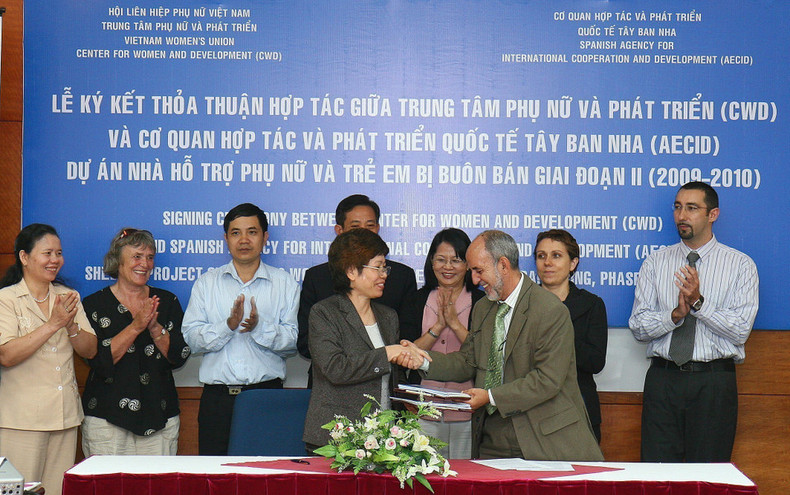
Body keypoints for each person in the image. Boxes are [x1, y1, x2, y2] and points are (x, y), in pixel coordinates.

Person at [397, 230, 602, 461]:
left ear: (503, 265)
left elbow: (547, 380)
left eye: (479, 271)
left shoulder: (550, 310)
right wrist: (422, 359)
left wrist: (490, 397)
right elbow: (468, 361)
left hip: (542, 437)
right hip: (492, 436)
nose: (474, 280)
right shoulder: (484, 308)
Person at [629, 181, 758, 462]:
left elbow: (740, 330)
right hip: (663, 381)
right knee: (657, 474)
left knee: (707, 476)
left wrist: (699, 304)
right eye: (677, 207)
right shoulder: (656, 262)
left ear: (713, 215)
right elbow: (638, 326)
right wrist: (674, 316)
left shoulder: (740, 265)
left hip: (713, 383)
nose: (681, 216)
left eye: (691, 208)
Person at [182, 203, 299, 455]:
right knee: (216, 478)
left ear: (265, 237)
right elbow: (191, 340)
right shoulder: (206, 284)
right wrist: (228, 326)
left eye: (252, 232)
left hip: (267, 398)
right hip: (217, 401)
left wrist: (259, 328)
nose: (243, 240)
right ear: (226, 238)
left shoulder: (285, 283)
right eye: (235, 233)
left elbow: (293, 343)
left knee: (267, 480)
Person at [0, 224, 97, 495]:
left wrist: (72, 327)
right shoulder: (6, 300)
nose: (55, 260)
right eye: (47, 253)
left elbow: (90, 351)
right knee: (21, 492)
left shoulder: (67, 297)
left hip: (64, 418)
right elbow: (6, 355)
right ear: (24, 257)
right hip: (21, 421)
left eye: (59, 253)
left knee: (56, 491)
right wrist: (54, 324)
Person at [81, 228, 191, 455]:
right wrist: (136, 326)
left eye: (150, 257)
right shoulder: (94, 304)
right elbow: (99, 361)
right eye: (137, 256)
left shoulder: (167, 301)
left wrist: (154, 328)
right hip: (107, 419)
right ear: (117, 261)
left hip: (159, 416)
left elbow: (179, 355)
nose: (145, 263)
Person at [302, 229, 409, 452]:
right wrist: (387, 353)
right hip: (336, 437)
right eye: (377, 267)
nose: (384, 274)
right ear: (351, 271)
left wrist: (407, 356)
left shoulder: (388, 316)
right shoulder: (325, 313)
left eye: (384, 267)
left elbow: (389, 376)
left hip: (384, 438)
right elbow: (336, 369)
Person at [297, 194, 417, 385]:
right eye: (355, 227)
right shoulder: (322, 301)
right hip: (337, 402)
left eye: (370, 226)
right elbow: (313, 350)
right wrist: (382, 355)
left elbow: (406, 340)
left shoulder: (392, 304)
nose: (383, 275)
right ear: (339, 230)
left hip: (385, 403)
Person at [398, 228, 483, 458]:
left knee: (464, 479)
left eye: (456, 260)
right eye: (441, 260)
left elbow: (483, 353)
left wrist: (455, 324)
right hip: (422, 409)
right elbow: (405, 353)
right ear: (431, 262)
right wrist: (437, 327)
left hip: (467, 410)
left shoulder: (482, 302)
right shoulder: (416, 300)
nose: (448, 267)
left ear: (468, 265)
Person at [534, 229, 607, 443]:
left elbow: (595, 362)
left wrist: (557, 333)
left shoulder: (591, 304)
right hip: (533, 411)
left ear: (573, 263)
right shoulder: (523, 304)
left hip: (579, 409)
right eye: (541, 256)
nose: (547, 262)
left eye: (556, 255)